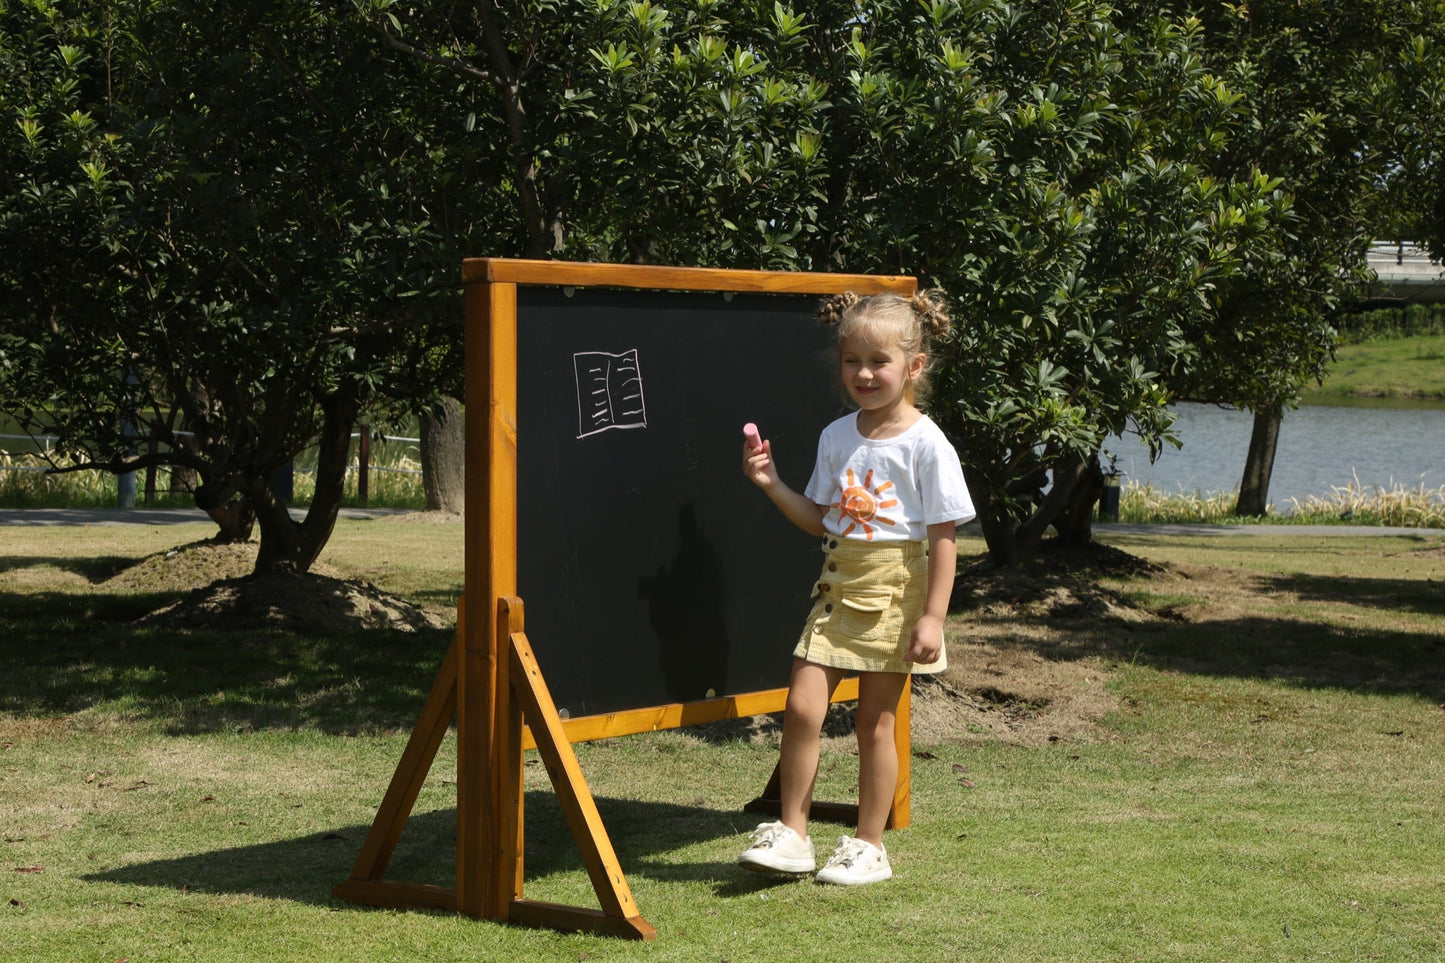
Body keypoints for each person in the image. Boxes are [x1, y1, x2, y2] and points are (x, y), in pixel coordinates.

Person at [738, 290, 975, 886]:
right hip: (837, 587)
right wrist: (770, 484)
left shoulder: (927, 443)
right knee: (800, 707)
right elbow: (823, 518)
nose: (864, 374)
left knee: (874, 725)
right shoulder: (837, 436)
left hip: (898, 592)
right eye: (851, 362)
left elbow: (945, 539)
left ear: (913, 366)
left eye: (879, 362)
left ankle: (869, 846)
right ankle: (793, 835)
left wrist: (934, 617)